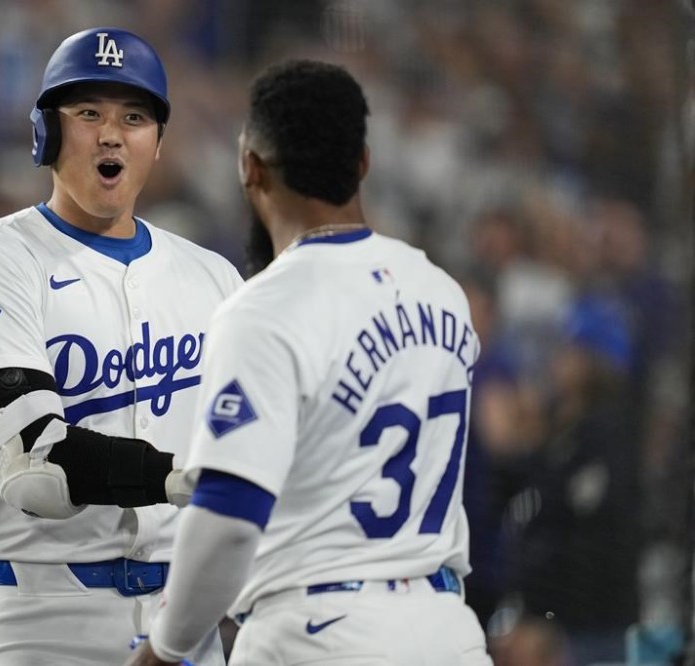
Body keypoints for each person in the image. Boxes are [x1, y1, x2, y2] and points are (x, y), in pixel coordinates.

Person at [128, 59, 492, 665]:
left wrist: (164, 649)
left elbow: (230, 517)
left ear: (250, 166)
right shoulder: (441, 291)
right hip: (446, 630)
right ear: (364, 163)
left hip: (318, 633)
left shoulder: (265, 309)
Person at [0, 27, 241, 665]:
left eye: (134, 117)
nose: (111, 135)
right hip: (35, 613)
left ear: (158, 143)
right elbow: (36, 465)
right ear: (46, 132)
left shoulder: (215, 279)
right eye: (89, 113)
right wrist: (179, 479)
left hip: (180, 620)